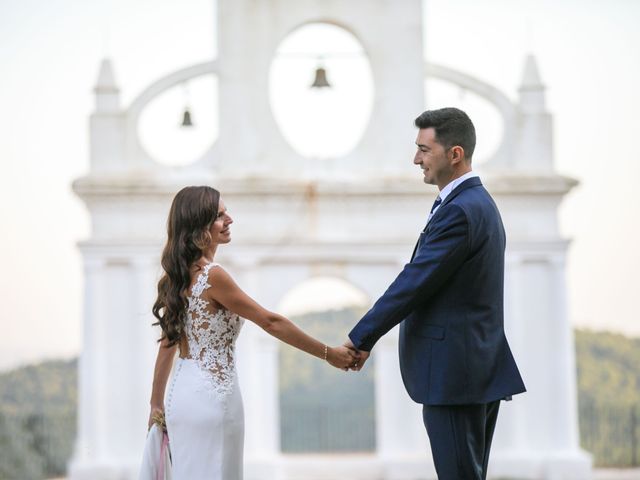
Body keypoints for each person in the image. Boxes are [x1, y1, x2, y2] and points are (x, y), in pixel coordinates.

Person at [345, 108, 526, 480]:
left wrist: (361, 337)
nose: (416, 159)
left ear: (454, 154)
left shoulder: (460, 211)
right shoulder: (472, 204)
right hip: (472, 369)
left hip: (455, 375)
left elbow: (414, 281)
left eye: (424, 150)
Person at [143, 186, 357, 480]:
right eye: (219, 215)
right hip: (212, 399)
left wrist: (156, 404)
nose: (229, 219)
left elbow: (168, 344)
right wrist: (329, 353)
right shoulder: (212, 276)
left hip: (181, 397)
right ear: (200, 225)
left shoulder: (176, 279)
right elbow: (270, 321)